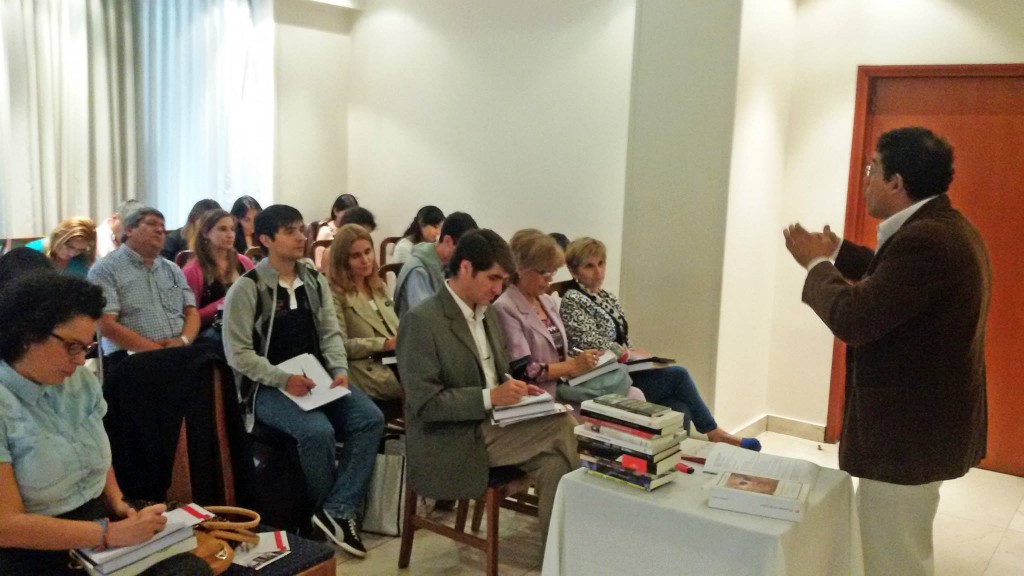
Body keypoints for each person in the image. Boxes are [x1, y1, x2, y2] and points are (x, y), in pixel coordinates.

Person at [783, 126, 990, 576]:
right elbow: (892, 281)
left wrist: (816, 264)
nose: (866, 178)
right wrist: (838, 251)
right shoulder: (942, 227)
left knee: (894, 558)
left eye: (872, 168)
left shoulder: (926, 241)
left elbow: (855, 317)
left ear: (896, 182)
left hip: (907, 435)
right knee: (895, 546)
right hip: (922, 428)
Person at [222, 205, 383, 558]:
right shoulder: (247, 289)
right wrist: (282, 379)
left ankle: (335, 510)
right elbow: (239, 355)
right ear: (265, 239)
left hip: (315, 376)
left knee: (369, 418)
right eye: (290, 231)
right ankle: (335, 513)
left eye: (300, 228)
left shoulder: (312, 279)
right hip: (267, 387)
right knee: (316, 432)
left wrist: (339, 369)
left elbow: (330, 332)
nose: (301, 237)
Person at [396, 229, 578, 540]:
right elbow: (424, 404)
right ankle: (589, 529)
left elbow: (498, 372)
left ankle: (557, 555)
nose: (497, 289)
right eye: (492, 279)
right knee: (563, 424)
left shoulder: (488, 313)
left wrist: (517, 390)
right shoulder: (423, 321)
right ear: (465, 267)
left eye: (502, 281)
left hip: (493, 425)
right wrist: (490, 396)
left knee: (555, 461)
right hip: (451, 437)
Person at [0, 272, 169, 574]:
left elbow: (94, 446)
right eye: (72, 346)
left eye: (87, 348)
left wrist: (117, 501)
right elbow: (6, 526)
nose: (80, 361)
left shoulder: (77, 381)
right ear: (27, 334)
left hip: (95, 524)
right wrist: (109, 534)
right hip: (29, 550)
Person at [560, 237, 760, 450]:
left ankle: (674, 459)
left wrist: (640, 356)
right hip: (604, 379)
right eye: (589, 266)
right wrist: (627, 353)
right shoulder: (573, 300)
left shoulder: (606, 297)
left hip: (624, 371)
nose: (598, 271)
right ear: (574, 271)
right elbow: (591, 342)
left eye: (601, 264)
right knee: (679, 375)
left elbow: (621, 337)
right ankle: (714, 432)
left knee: (679, 405)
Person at [493, 229, 642, 403]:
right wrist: (574, 365)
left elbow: (560, 355)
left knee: (635, 394)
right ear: (520, 268)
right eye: (543, 272)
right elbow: (524, 371)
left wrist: (585, 361)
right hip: (539, 396)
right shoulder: (506, 307)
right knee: (632, 401)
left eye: (553, 272)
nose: (549, 280)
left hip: (568, 384)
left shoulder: (547, 301)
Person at [87, 208, 200, 368]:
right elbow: (105, 325)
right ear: (129, 230)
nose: (160, 230)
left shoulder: (172, 269)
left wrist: (183, 340)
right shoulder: (105, 269)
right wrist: (155, 350)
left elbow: (192, 312)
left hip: (177, 351)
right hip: (131, 357)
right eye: (151, 224)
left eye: (162, 225)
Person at [326, 224, 401, 400]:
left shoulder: (379, 285)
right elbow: (340, 345)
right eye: (356, 255)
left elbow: (395, 328)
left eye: (368, 252)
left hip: (395, 358)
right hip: (366, 365)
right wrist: (384, 344)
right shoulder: (335, 293)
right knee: (427, 385)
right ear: (343, 260)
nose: (365, 260)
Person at [181, 209, 255, 333]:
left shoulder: (244, 262)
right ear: (205, 233)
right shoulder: (192, 271)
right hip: (211, 331)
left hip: (246, 324)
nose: (230, 234)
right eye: (222, 229)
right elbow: (190, 318)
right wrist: (224, 303)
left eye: (232, 229)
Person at [393, 211, 477, 318]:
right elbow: (424, 318)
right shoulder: (418, 270)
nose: (466, 257)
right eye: (463, 250)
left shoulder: (447, 266)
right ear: (448, 241)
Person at [25, 217, 98, 277]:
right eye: (69, 247)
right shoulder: (31, 252)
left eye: (80, 250)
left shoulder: (84, 259)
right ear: (58, 237)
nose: (72, 254)